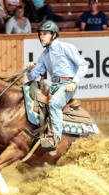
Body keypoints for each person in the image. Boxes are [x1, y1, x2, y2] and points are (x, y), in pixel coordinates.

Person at [26, 20, 88, 151]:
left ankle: (55, 138)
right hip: (54, 86)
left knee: (54, 104)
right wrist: (29, 70)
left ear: (53, 35)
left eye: (44, 34)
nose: (41, 36)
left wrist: (74, 82)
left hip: (67, 85)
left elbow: (83, 64)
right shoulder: (44, 55)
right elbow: (33, 77)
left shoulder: (66, 47)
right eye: (40, 34)